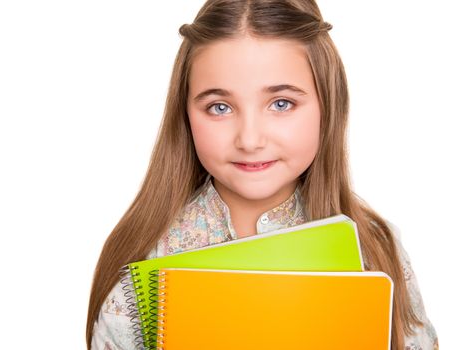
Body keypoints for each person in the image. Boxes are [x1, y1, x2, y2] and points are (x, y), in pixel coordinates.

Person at [86, 0, 439, 349]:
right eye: (219, 107)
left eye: (281, 103)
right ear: (186, 115)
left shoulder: (377, 248)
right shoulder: (143, 264)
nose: (250, 140)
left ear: (327, 105)